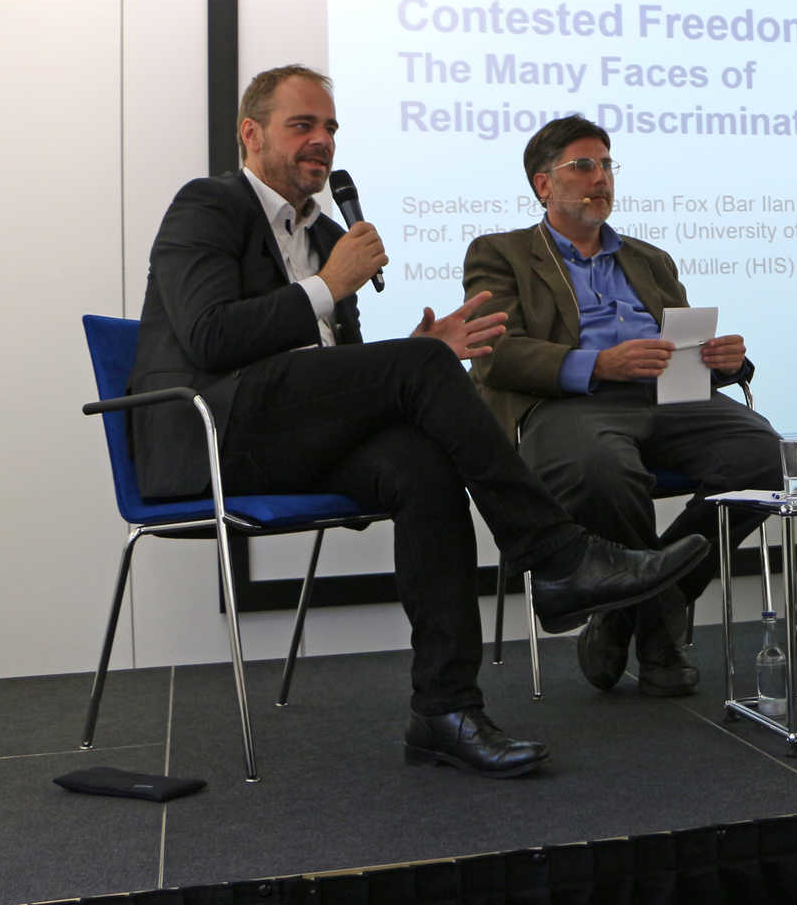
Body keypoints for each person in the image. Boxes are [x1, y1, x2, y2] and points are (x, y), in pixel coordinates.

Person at [130, 65, 708, 778]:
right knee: (422, 369)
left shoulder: (327, 233)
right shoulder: (208, 205)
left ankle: (445, 709)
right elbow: (210, 337)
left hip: (294, 433)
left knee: (423, 466)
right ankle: (558, 556)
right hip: (212, 435)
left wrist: (415, 350)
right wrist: (331, 287)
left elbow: (334, 368)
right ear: (251, 134)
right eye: (302, 125)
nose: (322, 141)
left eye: (330, 127)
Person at [462, 116, 781, 697]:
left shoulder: (649, 258)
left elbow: (683, 349)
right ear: (543, 184)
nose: (600, 178)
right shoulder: (500, 253)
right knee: (600, 469)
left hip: (668, 397)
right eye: (583, 165)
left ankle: (628, 608)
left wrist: (721, 361)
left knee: (762, 456)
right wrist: (598, 364)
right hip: (569, 400)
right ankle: (658, 632)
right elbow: (496, 353)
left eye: (607, 165)